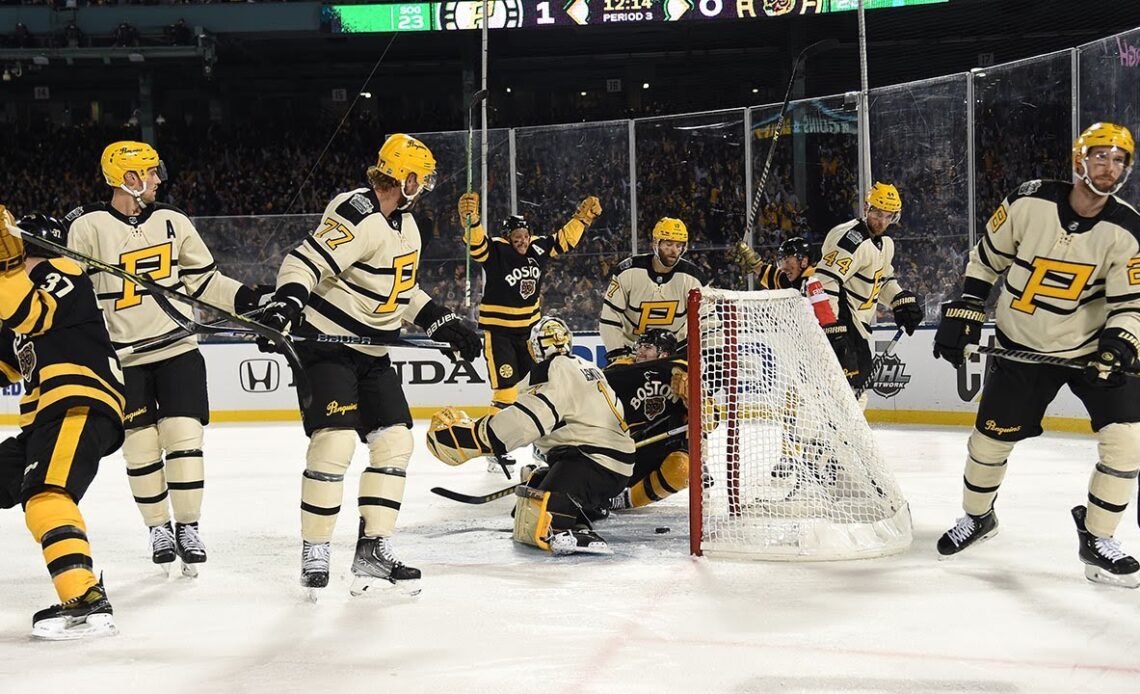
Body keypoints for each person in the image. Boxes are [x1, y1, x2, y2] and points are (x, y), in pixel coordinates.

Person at [261, 133, 481, 595]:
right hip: (328, 348)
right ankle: (316, 548)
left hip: (372, 354)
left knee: (396, 441)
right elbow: (304, 262)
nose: (426, 187)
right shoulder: (355, 212)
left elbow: (400, 292)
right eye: (423, 178)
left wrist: (443, 321)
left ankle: (371, 552)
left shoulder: (406, 226)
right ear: (407, 177)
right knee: (335, 443)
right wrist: (285, 305)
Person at [932, 122, 1140, 588]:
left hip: (1090, 352)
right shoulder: (1029, 202)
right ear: (1078, 160)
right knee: (989, 442)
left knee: (1127, 443)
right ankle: (979, 518)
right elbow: (987, 258)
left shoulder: (1128, 230)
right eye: (1100, 156)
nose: (1109, 167)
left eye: (1119, 159)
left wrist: (1121, 342)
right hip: (1018, 345)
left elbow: (1131, 306)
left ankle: (1098, 536)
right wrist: (968, 303)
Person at [64, 141, 265, 576]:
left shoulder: (174, 220)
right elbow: (71, 295)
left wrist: (249, 300)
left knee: (184, 437)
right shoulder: (88, 227)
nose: (159, 179)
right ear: (129, 178)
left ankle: (188, 527)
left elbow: (204, 280)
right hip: (125, 359)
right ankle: (158, 529)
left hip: (178, 349)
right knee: (139, 448)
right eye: (150, 172)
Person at [0, 210, 125, 639]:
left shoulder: (62, 270)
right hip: (45, 420)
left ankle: (85, 597)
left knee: (46, 494)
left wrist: (10, 269)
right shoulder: (20, 301)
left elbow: (28, 313)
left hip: (76, 402)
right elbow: (6, 362)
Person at [425, 316, 635, 555]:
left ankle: (578, 520)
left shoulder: (551, 370)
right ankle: (590, 506)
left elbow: (527, 422)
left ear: (534, 347)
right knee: (529, 501)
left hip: (594, 462)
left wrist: (474, 437)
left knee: (542, 521)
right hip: (610, 464)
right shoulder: (586, 365)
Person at [458, 192, 601, 474]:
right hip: (499, 333)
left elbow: (565, 239)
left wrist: (582, 218)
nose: (521, 241)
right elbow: (476, 245)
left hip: (530, 333)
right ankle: (494, 447)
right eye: (516, 237)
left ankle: (543, 444)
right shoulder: (497, 249)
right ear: (507, 237)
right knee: (506, 392)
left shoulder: (537, 247)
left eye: (524, 235)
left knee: (539, 388)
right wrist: (470, 220)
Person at [813, 183, 923, 392]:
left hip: (857, 326)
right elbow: (824, 281)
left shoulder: (885, 244)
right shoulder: (851, 239)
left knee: (858, 386)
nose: (881, 221)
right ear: (866, 208)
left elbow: (881, 281)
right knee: (848, 386)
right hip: (842, 323)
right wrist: (832, 329)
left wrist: (900, 300)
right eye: (877, 213)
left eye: (888, 216)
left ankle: (844, 426)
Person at [602, 329, 690, 511]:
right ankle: (542, 474)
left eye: (648, 347)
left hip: (664, 449)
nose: (640, 351)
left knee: (683, 469)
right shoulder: (620, 371)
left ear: (664, 353)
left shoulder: (683, 374)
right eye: (639, 346)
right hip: (624, 449)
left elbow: (711, 422)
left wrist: (694, 400)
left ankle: (627, 500)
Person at [600, 217, 706, 365]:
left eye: (679, 245)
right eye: (668, 244)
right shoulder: (628, 271)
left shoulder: (694, 278)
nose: (674, 250)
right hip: (633, 353)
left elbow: (708, 321)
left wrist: (717, 354)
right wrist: (617, 354)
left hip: (674, 354)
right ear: (655, 243)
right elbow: (610, 317)